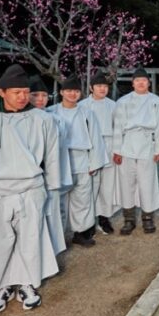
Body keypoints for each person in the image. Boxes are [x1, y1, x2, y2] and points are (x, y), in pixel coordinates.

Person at [0, 65, 62, 313]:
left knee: (30, 238)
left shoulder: (43, 119)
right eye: (16, 92)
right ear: (1, 92)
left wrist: (52, 186)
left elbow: (52, 155)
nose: (23, 97)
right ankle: (2, 285)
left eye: (25, 92)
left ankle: (26, 283)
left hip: (31, 188)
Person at [48, 75, 108, 247]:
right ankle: (58, 236)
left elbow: (96, 139)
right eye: (68, 91)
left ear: (80, 93)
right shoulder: (51, 112)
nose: (73, 94)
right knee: (58, 200)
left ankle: (80, 233)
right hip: (59, 159)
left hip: (81, 158)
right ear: (61, 92)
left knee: (82, 198)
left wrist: (94, 162)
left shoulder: (87, 113)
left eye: (76, 91)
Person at [112, 67, 159, 234]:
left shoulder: (156, 101)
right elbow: (118, 128)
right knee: (126, 183)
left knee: (147, 183)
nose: (141, 83)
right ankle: (128, 220)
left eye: (143, 80)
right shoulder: (123, 101)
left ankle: (147, 219)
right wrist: (117, 150)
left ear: (148, 83)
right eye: (137, 80)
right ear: (133, 83)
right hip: (127, 144)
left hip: (147, 144)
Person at [29, 75, 72, 255]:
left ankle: (54, 249)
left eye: (44, 96)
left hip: (52, 171)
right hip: (32, 174)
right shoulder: (21, 118)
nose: (40, 99)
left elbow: (61, 148)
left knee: (55, 210)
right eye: (36, 95)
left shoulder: (56, 118)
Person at [79, 72, 120, 234]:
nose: (102, 89)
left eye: (105, 86)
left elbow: (119, 128)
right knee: (90, 186)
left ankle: (104, 218)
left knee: (107, 185)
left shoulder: (113, 105)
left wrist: (118, 150)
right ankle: (88, 222)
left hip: (110, 144)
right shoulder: (82, 105)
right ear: (91, 88)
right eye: (99, 86)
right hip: (92, 146)